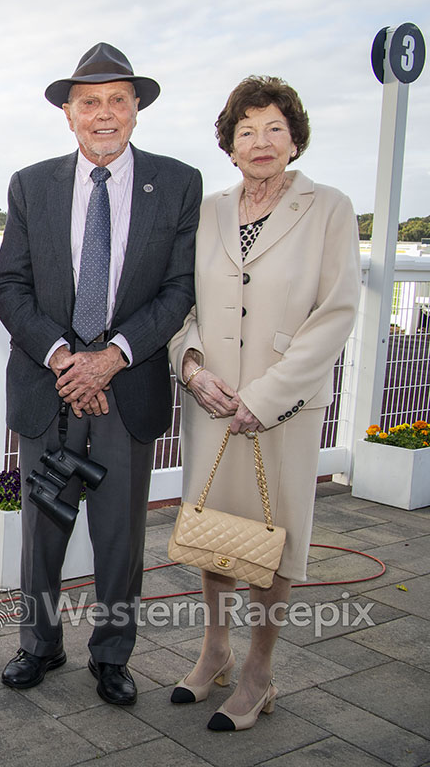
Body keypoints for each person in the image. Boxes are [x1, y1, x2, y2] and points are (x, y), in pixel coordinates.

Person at [0, 43, 200, 706]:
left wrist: (111, 358)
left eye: (117, 99)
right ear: (68, 114)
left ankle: (112, 655)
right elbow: (9, 287)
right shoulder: (30, 186)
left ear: (136, 108)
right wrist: (63, 358)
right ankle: (39, 645)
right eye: (89, 102)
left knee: (119, 536)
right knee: (42, 532)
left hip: (126, 390)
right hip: (49, 393)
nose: (103, 114)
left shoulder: (178, 183)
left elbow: (180, 288)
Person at [167, 76, 360, 731]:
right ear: (229, 143)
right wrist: (190, 366)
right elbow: (182, 302)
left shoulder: (329, 207)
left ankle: (258, 672)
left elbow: (335, 315)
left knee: (271, 543)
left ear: (295, 136)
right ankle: (214, 651)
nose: (260, 141)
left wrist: (269, 395)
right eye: (246, 129)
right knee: (215, 532)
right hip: (213, 400)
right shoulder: (210, 210)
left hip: (282, 407)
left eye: (274, 127)